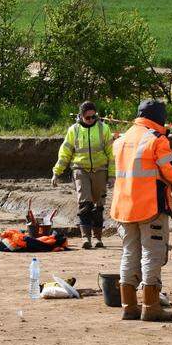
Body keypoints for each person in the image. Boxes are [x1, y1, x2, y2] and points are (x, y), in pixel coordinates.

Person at [110, 99, 172, 322]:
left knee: (129, 253)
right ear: (159, 117)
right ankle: (151, 306)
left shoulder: (121, 140)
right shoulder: (156, 140)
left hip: (124, 207)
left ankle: (129, 306)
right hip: (150, 206)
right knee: (152, 254)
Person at [51, 101, 115, 249]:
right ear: (81, 116)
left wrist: (112, 175)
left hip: (100, 170)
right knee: (85, 203)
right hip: (80, 170)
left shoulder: (103, 129)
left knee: (99, 205)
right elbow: (65, 153)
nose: (91, 120)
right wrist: (57, 172)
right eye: (88, 118)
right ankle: (86, 238)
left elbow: (112, 155)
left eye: (94, 117)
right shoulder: (74, 130)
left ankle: (97, 238)